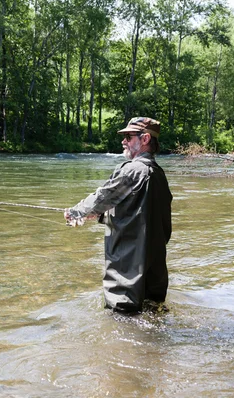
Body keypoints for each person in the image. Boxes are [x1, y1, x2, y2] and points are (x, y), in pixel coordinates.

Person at [64, 117, 172, 313]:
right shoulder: (158, 174)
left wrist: (75, 212)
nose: (123, 141)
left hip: (128, 273)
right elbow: (140, 213)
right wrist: (98, 216)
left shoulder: (132, 170)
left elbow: (102, 198)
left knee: (122, 321)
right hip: (154, 272)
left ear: (145, 139)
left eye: (128, 137)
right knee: (153, 314)